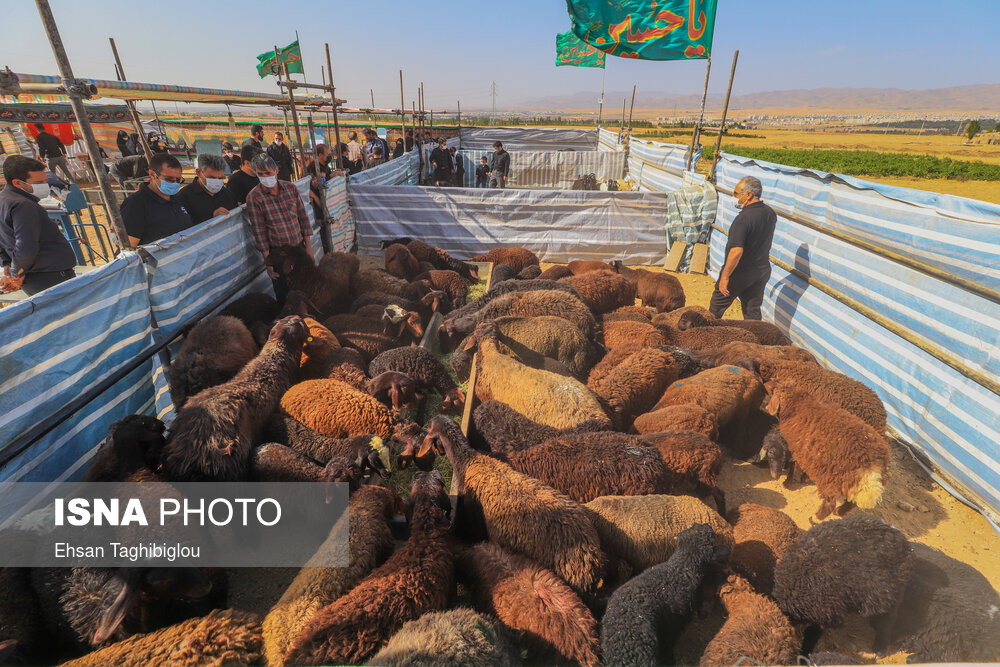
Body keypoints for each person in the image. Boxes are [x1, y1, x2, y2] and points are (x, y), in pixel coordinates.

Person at [0, 155, 77, 295]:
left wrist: (6, 263)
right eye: (39, 182)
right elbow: (26, 245)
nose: (44, 186)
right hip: (50, 277)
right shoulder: (23, 205)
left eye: (45, 181)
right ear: (17, 183)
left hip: (34, 277)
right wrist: (16, 273)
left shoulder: (4, 200)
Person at [245, 152, 314, 302]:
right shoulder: (254, 197)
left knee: (306, 288)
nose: (265, 176)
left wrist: (308, 248)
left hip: (299, 249)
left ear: (276, 170)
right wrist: (268, 263)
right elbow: (259, 232)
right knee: (285, 295)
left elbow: (303, 218)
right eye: (261, 173)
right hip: (279, 255)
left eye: (268, 172)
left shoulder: (290, 188)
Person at [709, 176, 776, 320]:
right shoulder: (770, 213)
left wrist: (725, 277)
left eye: (736, 193)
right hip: (760, 271)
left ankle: (705, 335)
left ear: (749, 195)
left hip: (738, 272)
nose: (734, 197)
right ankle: (754, 341)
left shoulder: (743, 219)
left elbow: (736, 251)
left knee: (715, 309)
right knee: (752, 312)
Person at [119, 153, 193, 246]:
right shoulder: (135, 204)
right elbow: (129, 248)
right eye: (169, 179)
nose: (174, 183)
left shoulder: (177, 198)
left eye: (178, 180)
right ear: (152, 175)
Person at [176, 154, 238, 225]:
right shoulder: (183, 197)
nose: (216, 182)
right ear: (198, 173)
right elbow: (184, 229)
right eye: (211, 178)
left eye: (220, 178)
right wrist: (211, 219)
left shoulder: (227, 195)